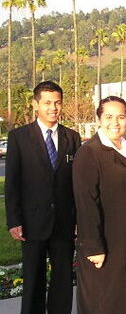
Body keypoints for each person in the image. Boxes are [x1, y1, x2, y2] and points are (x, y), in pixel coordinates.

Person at [5, 81, 81, 314]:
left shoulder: (72, 138)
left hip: (63, 223)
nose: (53, 108)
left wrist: (78, 218)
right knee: (33, 279)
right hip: (31, 222)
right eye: (47, 103)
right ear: (36, 104)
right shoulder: (19, 137)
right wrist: (14, 219)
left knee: (62, 279)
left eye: (57, 102)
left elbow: (76, 184)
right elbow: (12, 182)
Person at [72, 96, 126, 314]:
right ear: (98, 119)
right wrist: (94, 247)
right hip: (105, 244)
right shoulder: (89, 154)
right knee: (107, 301)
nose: (114, 122)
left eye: (121, 117)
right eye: (108, 116)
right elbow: (86, 203)